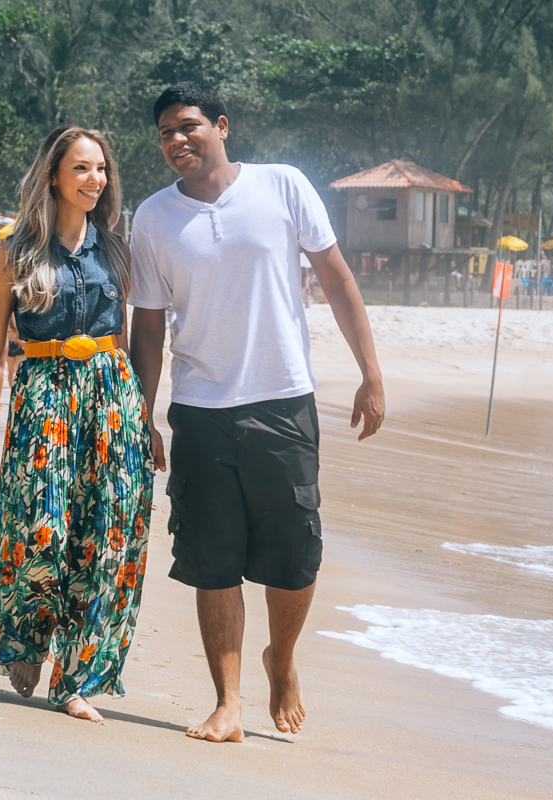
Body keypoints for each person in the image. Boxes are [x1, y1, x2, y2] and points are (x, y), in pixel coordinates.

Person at [128, 81, 384, 743]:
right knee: (212, 558)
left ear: (221, 125)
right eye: (165, 133)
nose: (177, 141)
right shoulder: (154, 217)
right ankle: (228, 702)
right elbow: (149, 327)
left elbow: (337, 279)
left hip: (282, 399)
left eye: (188, 126)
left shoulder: (283, 185)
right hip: (200, 406)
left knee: (295, 555)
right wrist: (143, 412)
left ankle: (283, 657)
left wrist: (370, 375)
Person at [0, 124, 153, 723]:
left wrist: (147, 419)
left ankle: (77, 678)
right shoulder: (17, 249)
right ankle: (24, 634)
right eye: (81, 168)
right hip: (44, 394)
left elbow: (130, 336)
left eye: (102, 169)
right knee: (40, 527)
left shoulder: (117, 250)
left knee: (106, 533)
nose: (96, 179)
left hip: (111, 396)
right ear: (53, 176)